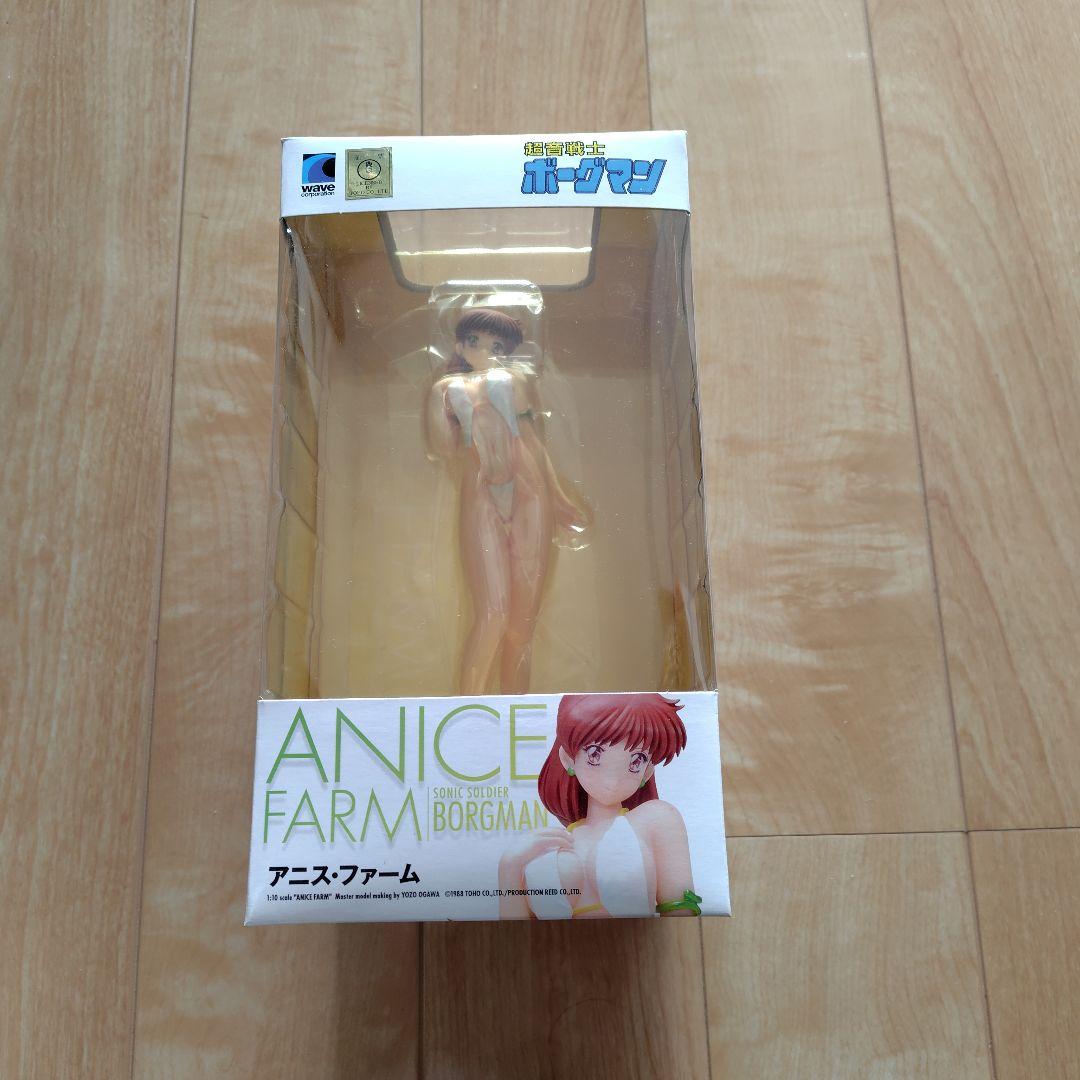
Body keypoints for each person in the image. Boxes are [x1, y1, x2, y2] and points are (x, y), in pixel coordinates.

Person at [426, 309, 587, 694]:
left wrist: (558, 498)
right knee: (492, 614)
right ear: (459, 345)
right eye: (475, 342)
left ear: (507, 351)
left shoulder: (512, 381)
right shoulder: (445, 389)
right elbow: (443, 448)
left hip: (530, 489)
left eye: (496, 346)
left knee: (521, 623)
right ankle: (468, 707)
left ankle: (516, 710)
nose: (484, 351)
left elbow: (531, 440)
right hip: (480, 490)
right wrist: (451, 416)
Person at [498, 693, 701, 919]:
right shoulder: (545, 846)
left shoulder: (656, 819)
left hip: (636, 938)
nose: (612, 779)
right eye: (594, 754)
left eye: (636, 761)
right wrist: (509, 867)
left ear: (647, 772)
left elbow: (680, 913)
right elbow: (516, 928)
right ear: (568, 759)